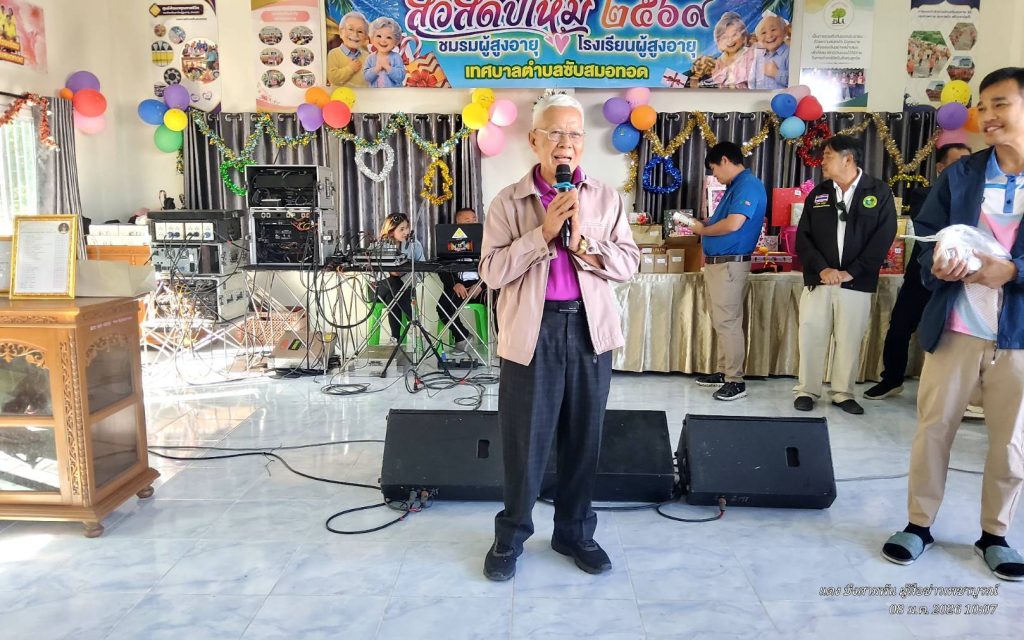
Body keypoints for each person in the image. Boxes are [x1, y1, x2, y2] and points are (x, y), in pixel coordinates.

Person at [479, 90, 640, 581]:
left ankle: (574, 532)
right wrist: (542, 234)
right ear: (534, 141)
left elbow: (629, 264)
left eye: (574, 133)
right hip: (533, 332)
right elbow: (491, 271)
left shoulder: (606, 198)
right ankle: (511, 536)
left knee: (583, 438)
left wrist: (584, 243)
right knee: (524, 441)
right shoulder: (508, 202)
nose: (565, 143)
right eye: (555, 133)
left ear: (582, 143)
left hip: (590, 331)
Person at [881, 68, 1024, 582]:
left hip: (1017, 338)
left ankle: (995, 534)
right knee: (933, 429)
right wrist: (936, 262)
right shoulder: (962, 174)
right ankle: (918, 525)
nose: (987, 116)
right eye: (982, 106)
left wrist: (1014, 271)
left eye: (1000, 104)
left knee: (1011, 444)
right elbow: (926, 235)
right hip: (956, 327)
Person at [794, 135, 898, 414]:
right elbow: (803, 237)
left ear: (848, 159)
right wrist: (823, 268)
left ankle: (843, 392)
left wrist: (852, 271)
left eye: (828, 155)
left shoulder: (878, 191)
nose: (822, 161)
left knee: (849, 339)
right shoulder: (819, 193)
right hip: (820, 280)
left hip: (856, 283)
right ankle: (807, 390)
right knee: (811, 335)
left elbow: (884, 237)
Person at [864, 143, 972, 401]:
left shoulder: (978, 198)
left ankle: (955, 393)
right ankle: (891, 379)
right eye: (958, 164)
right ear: (941, 168)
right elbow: (931, 226)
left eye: (968, 164)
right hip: (923, 273)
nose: (965, 169)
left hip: (962, 276)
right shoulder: (925, 194)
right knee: (900, 326)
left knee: (955, 335)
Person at [688, 142, 767, 401]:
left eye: (714, 169)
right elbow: (724, 221)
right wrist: (705, 225)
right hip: (720, 264)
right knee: (722, 321)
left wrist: (703, 230)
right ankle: (724, 371)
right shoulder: (736, 186)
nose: (714, 175)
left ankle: (735, 380)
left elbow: (734, 224)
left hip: (730, 264)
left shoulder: (748, 185)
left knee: (728, 322)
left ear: (725, 160)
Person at [436, 207, 495, 354]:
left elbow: (493, 265)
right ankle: (462, 336)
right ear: (458, 224)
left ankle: (504, 345)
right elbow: (443, 266)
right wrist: (455, 283)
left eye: (474, 220)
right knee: (443, 306)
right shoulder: (448, 241)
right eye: (468, 221)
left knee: (500, 303)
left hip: (481, 286)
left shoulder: (487, 239)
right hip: (459, 285)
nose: (473, 223)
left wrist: (481, 285)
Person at [371, 213, 424, 345]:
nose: (406, 232)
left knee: (393, 295)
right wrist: (392, 273)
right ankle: (415, 323)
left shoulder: (414, 244)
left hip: (403, 287)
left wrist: (403, 276)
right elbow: (373, 274)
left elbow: (422, 269)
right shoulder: (379, 246)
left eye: (407, 227)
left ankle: (395, 338)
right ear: (391, 231)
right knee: (394, 283)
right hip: (379, 289)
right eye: (401, 229)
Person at [709, 11, 755, 89]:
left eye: (734, 35)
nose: (730, 40)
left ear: (744, 37)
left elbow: (751, 77)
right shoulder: (720, 61)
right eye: (724, 37)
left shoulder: (749, 55)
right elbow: (717, 81)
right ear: (718, 41)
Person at [326, 11, 369, 88]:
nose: (355, 34)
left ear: (365, 37)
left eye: (360, 31)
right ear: (341, 32)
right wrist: (350, 69)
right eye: (350, 29)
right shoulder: (334, 54)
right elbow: (333, 79)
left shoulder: (367, 56)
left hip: (364, 94)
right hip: (341, 94)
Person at [749, 13, 790, 90]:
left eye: (773, 30)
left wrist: (776, 73)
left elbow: (797, 80)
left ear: (784, 31)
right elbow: (752, 82)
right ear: (758, 38)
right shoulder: (758, 56)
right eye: (763, 32)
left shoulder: (789, 53)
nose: (769, 36)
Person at [363, 17, 405, 88]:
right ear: (372, 39)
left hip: (393, 93)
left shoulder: (396, 57)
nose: (383, 40)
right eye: (379, 36)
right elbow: (366, 78)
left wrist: (388, 67)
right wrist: (376, 69)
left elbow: (400, 77)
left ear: (395, 42)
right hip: (375, 93)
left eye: (388, 37)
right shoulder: (370, 58)